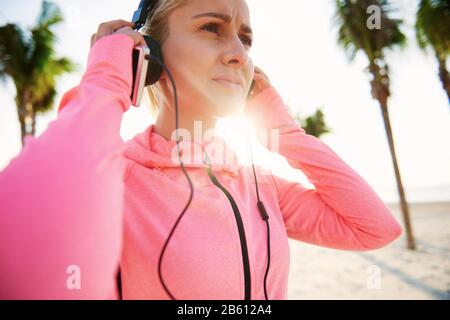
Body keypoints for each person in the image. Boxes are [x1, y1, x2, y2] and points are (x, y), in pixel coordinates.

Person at [0, 0, 402, 299]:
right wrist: (107, 78)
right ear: (150, 55)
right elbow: (18, 251)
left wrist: (285, 131)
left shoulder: (258, 183)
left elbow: (374, 228)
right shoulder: (117, 178)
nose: (239, 53)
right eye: (212, 27)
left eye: (246, 38)